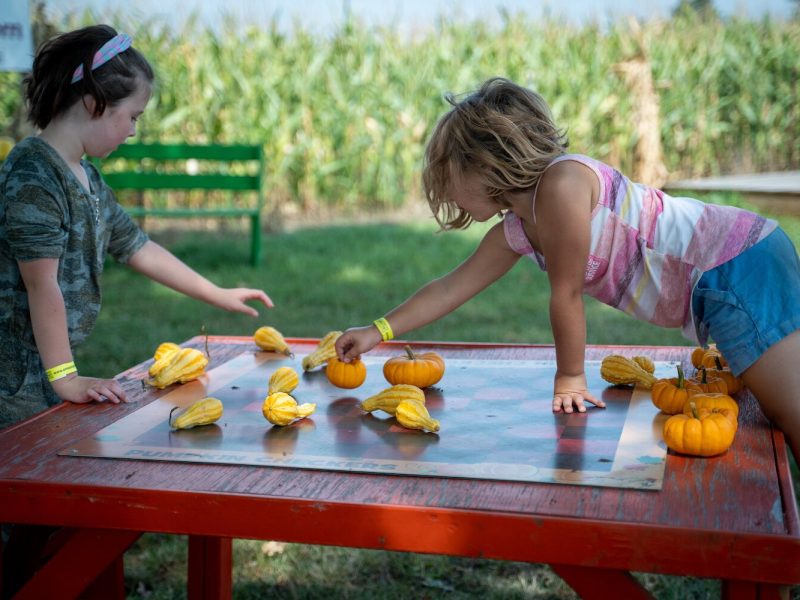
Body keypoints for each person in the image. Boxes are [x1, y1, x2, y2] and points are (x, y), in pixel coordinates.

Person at [335, 77, 800, 464]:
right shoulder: (517, 228)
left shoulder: (563, 185)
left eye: (448, 176)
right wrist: (379, 330)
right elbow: (451, 287)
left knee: (791, 412)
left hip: (735, 268)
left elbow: (566, 294)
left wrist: (571, 377)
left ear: (484, 163)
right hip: (722, 281)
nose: (446, 191)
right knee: (783, 413)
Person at [0, 24, 274, 431]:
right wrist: (66, 377)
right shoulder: (34, 176)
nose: (133, 131)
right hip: (12, 373)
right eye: (132, 116)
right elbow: (43, 285)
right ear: (94, 104)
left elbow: (136, 246)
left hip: (44, 362)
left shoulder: (88, 178)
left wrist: (216, 293)